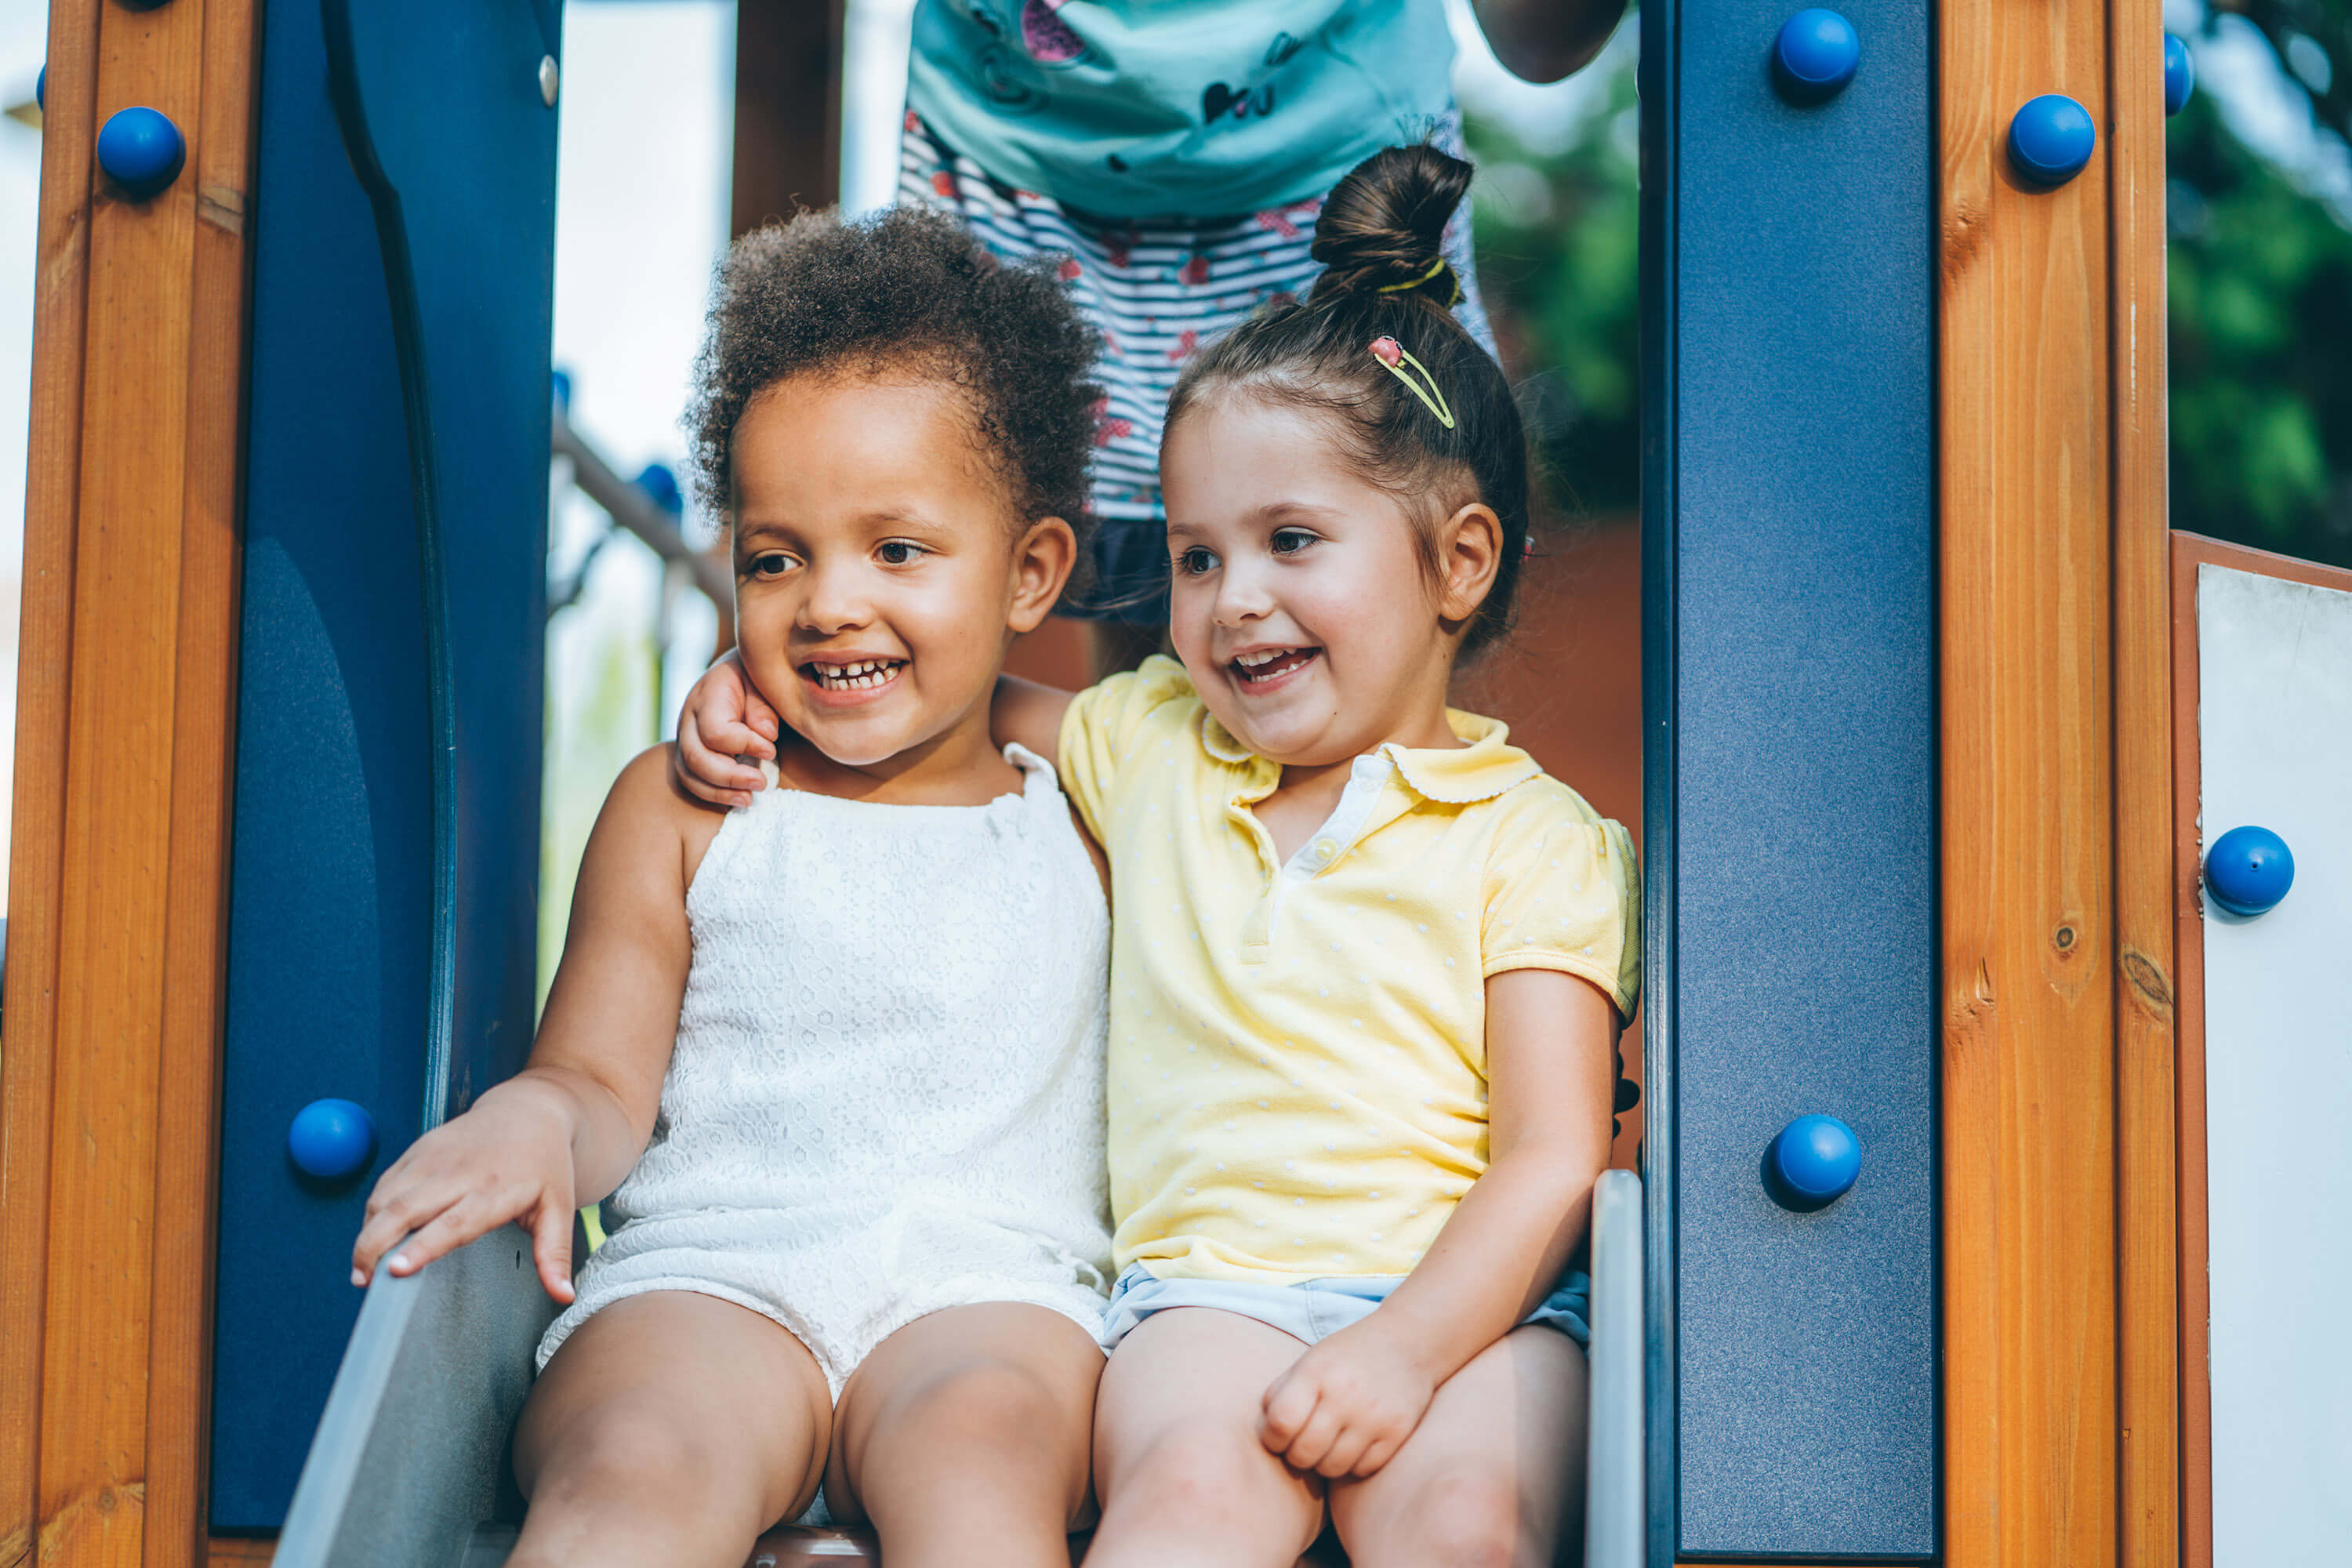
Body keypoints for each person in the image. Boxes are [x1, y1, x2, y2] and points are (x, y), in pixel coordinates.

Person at [678, 143, 1638, 1565]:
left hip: (1475, 1311)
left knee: (1468, 1522)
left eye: (1291, 540)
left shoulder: (1539, 840)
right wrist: (756, 685)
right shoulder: (1155, 747)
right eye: (1196, 557)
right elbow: (938, 696)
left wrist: (1402, 1350)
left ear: (1460, 562)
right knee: (1182, 1506)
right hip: (1207, 1298)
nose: (1235, 600)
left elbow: (1553, 1158)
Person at [351, 207, 1117, 1568]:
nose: (827, 604)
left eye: (898, 551)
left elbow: (1195, 746)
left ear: (1032, 572)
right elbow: (597, 1081)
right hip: (709, 1280)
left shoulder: (1088, 792)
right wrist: (531, 1119)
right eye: (776, 557)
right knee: (636, 1463)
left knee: (980, 1467)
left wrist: (1019, 708)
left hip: (989, 1295)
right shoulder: (687, 804)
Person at [895, 0, 1626, 677]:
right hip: (1014, 134)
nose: (1235, 604)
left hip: (1331, 149)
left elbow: (1541, 45)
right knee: (1161, 618)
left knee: (1373, 555)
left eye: (1290, 542)